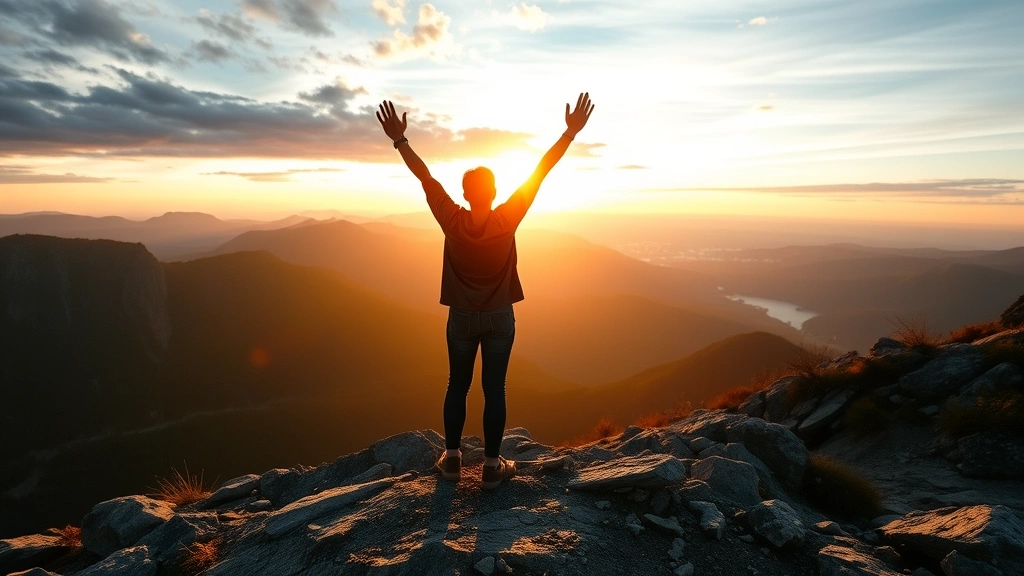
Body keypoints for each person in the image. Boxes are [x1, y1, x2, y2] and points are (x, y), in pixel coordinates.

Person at [376, 93, 595, 489]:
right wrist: (569, 133)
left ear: (464, 194)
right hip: (499, 317)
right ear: (493, 193)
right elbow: (540, 171)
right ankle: (493, 467)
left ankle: (454, 460)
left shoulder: (452, 220)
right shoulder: (508, 217)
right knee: (495, 388)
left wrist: (400, 140)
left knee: (456, 386)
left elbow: (425, 177)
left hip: (461, 316)